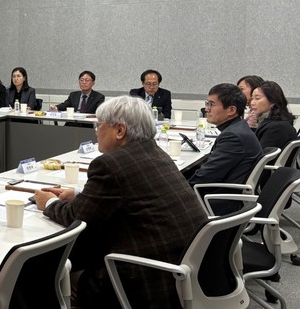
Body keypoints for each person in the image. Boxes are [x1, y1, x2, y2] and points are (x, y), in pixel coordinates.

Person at [34, 96, 207, 308]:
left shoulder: (109, 164)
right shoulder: (155, 152)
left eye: (98, 125)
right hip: (186, 272)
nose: (96, 131)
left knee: (53, 280)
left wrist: (50, 203)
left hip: (147, 282)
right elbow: (128, 196)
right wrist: (79, 195)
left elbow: (76, 219)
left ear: (119, 130)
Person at [188, 83, 263, 215]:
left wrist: (177, 189)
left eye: (211, 104)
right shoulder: (237, 128)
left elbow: (205, 176)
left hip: (219, 202)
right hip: (225, 193)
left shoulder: (233, 136)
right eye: (207, 103)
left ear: (231, 110)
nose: (206, 109)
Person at [251, 81, 296, 150]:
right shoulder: (277, 122)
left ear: (272, 100)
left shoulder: (276, 128)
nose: (252, 103)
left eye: (257, 98)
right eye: (252, 98)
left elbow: (261, 155)